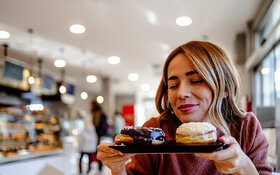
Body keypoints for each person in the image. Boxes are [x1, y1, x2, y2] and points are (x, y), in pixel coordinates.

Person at [96, 41, 273, 175]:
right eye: (173, 85)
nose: (181, 93)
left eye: (196, 80)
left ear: (225, 88)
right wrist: (117, 169)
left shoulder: (245, 127)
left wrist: (241, 164)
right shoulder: (155, 132)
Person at [91, 100, 110, 172]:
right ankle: (101, 166)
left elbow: (96, 124)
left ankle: (100, 166)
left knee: (98, 150)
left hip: (97, 135)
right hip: (102, 134)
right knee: (101, 149)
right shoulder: (102, 112)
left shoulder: (96, 113)